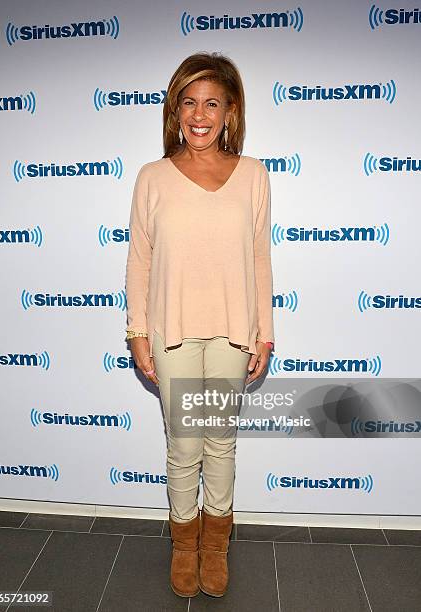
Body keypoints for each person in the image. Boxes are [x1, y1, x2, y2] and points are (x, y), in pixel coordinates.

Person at [125, 52, 274, 599]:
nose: (200, 113)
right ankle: (184, 545)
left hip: (234, 330)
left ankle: (215, 547)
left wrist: (265, 331)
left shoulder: (254, 174)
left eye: (213, 102)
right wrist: (137, 331)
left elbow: (260, 257)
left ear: (230, 111)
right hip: (174, 331)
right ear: (176, 111)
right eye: (189, 102)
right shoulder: (153, 178)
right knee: (184, 443)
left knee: (221, 443)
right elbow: (140, 257)